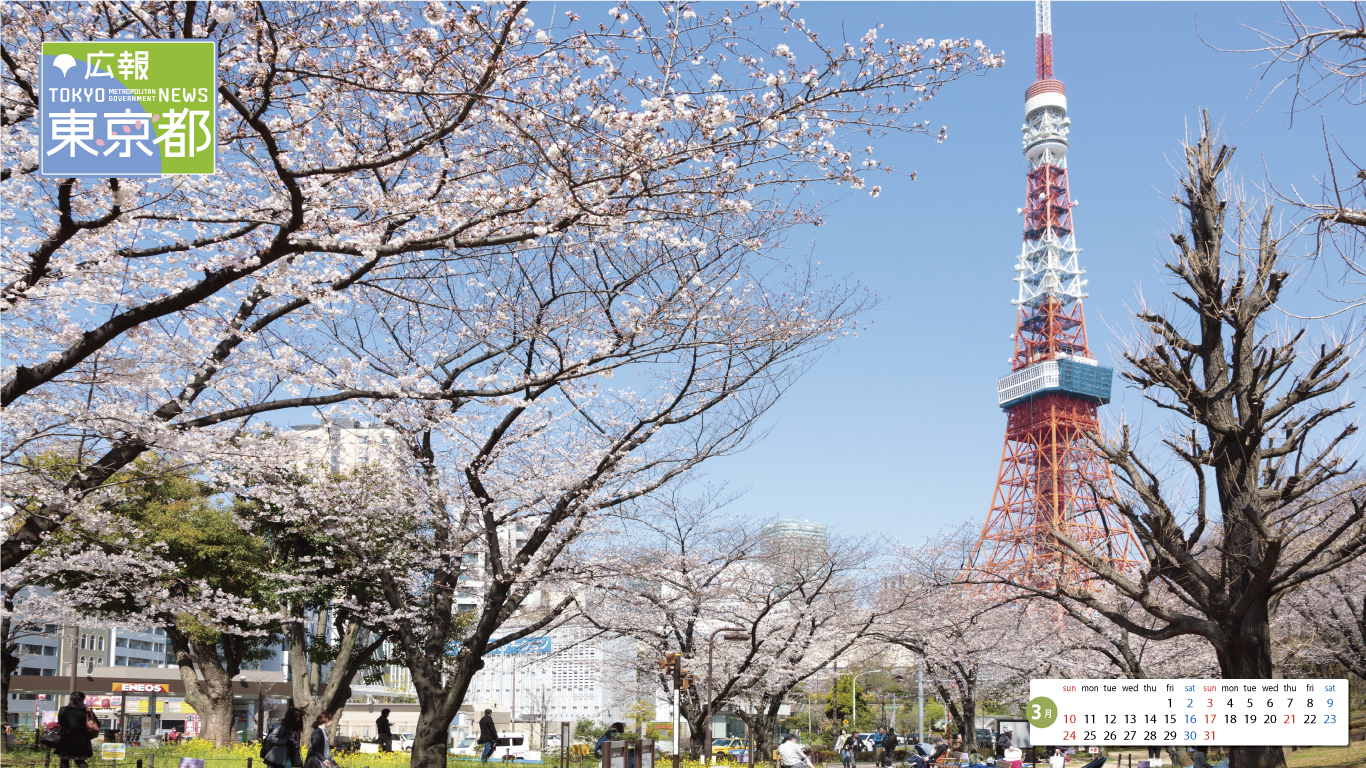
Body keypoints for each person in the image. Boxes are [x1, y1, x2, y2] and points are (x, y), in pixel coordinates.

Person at [56, 692, 96, 768]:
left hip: (66, 738)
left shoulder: (63, 710)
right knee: (80, 761)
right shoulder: (86, 711)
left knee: (64, 760)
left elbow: (60, 722)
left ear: (70, 699)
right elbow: (95, 724)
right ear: (82, 699)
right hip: (81, 739)